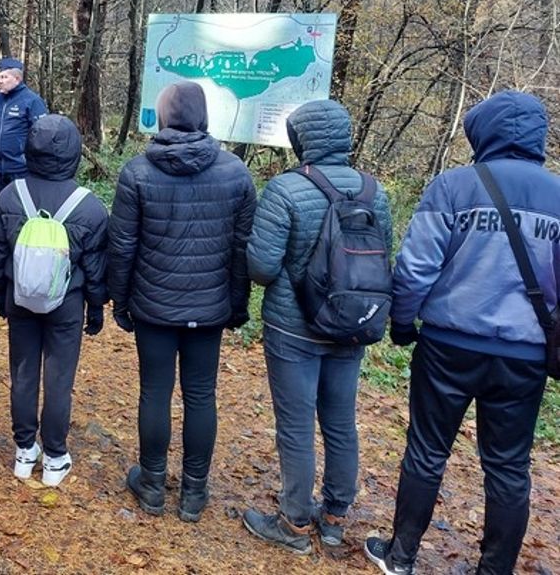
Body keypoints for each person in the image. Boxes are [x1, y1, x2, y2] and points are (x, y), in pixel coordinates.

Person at [364, 91, 560, 575]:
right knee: (510, 466)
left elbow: (415, 269)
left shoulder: (453, 187)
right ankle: (494, 571)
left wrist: (403, 323)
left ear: (484, 132)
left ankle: (402, 556)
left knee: (427, 451)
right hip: (525, 354)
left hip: (448, 345)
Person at [243, 99, 393, 552]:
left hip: (293, 330)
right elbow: (383, 257)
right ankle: (333, 518)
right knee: (341, 423)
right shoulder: (374, 191)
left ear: (301, 140)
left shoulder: (286, 189)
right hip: (352, 327)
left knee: (296, 426)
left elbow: (263, 268)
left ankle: (292, 525)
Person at [109, 80, 256, 521]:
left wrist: (119, 301)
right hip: (209, 308)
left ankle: (153, 484)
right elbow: (241, 250)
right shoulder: (235, 173)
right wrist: (237, 303)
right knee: (201, 395)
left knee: (155, 392)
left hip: (153, 306)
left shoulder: (138, 172)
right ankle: (194, 492)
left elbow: (122, 246)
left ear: (165, 115)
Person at [0, 114, 109, 487]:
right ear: (74, 153)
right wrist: (97, 305)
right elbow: (96, 266)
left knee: (23, 375)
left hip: (19, 299)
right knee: (59, 379)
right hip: (66, 305)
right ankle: (55, 455)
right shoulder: (89, 206)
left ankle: (25, 451)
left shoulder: (10, 196)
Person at [0, 57, 47, 197]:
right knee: (1, 210)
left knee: (21, 212)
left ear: (17, 78)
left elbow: (42, 139)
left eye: (4, 77)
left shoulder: (32, 101)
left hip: (22, 171)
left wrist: (40, 170)